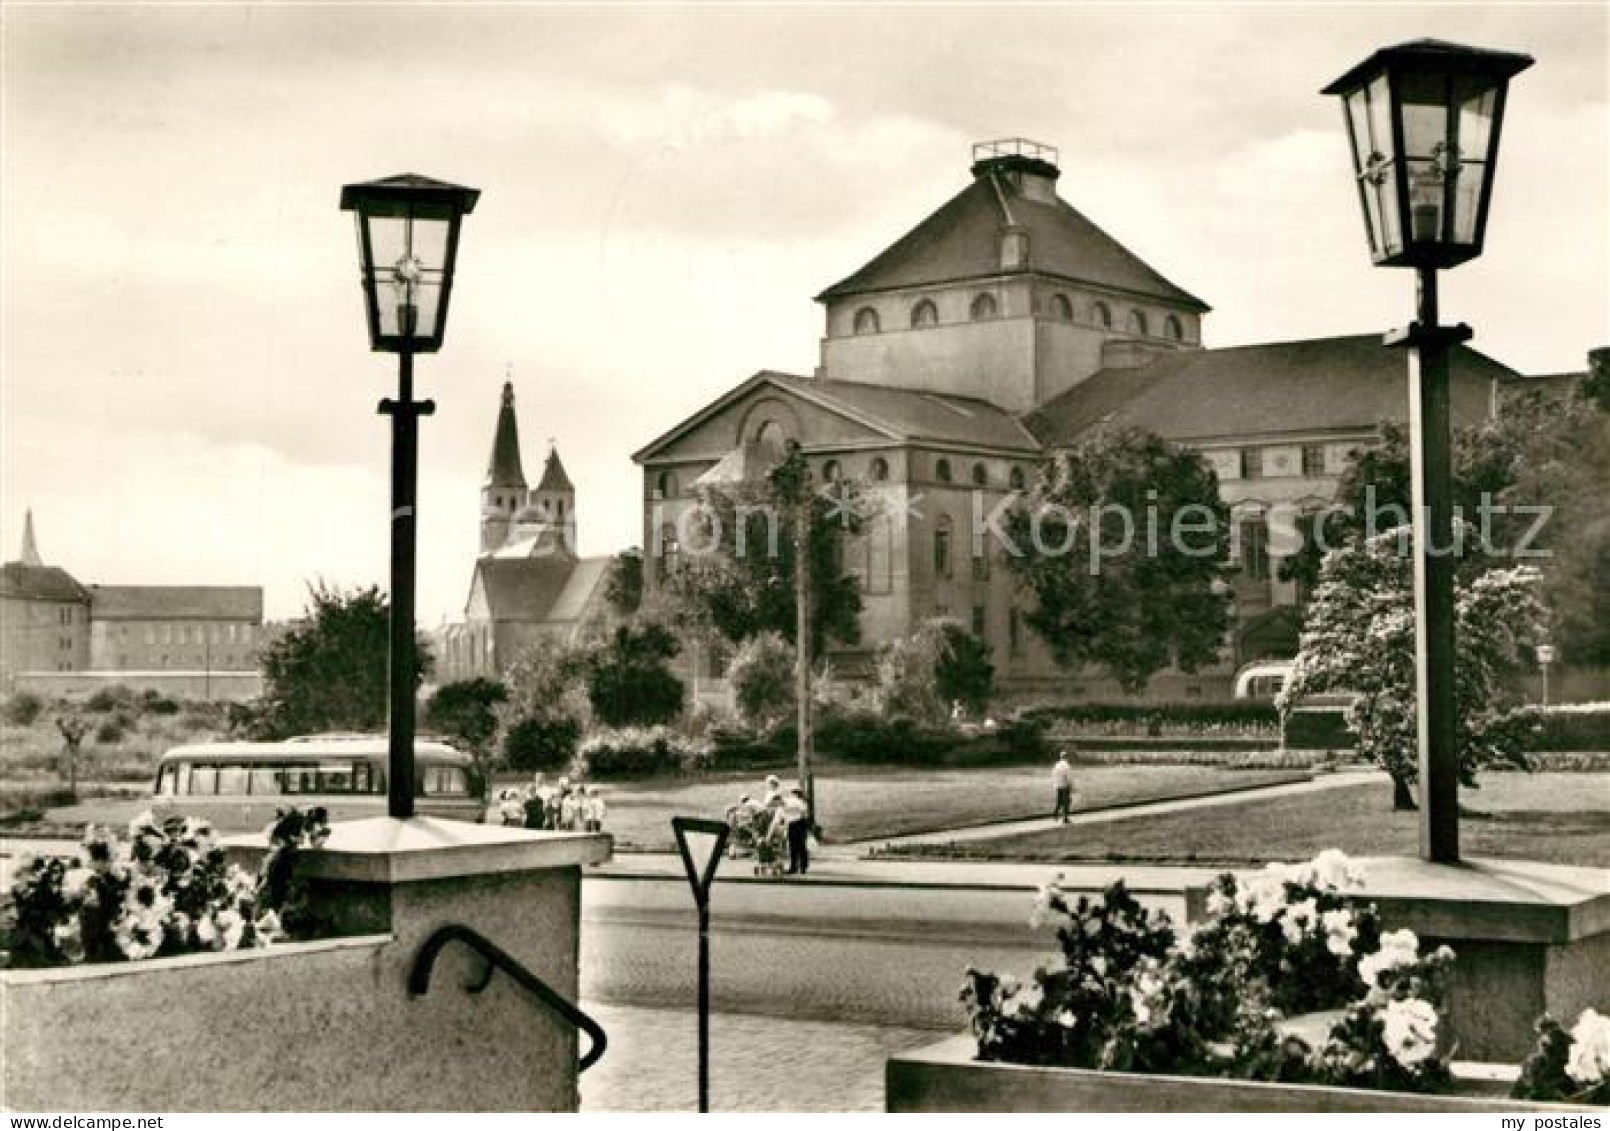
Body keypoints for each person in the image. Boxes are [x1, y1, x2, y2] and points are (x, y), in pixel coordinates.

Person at [782, 787, 811, 876]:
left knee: (798, 846)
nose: (791, 795)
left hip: (797, 823)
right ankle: (798, 866)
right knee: (796, 846)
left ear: (795, 794)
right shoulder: (799, 802)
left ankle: (799, 866)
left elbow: (803, 812)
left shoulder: (799, 802)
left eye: (792, 793)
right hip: (795, 823)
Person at [1052, 749, 1074, 824]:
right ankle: (1065, 818)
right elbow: (1069, 777)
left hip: (1058, 785)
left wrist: (1055, 784)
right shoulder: (1067, 766)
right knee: (1066, 802)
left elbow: (1053, 775)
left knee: (1059, 801)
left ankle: (1055, 814)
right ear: (1066, 757)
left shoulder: (1056, 765)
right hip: (1065, 785)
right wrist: (1071, 786)